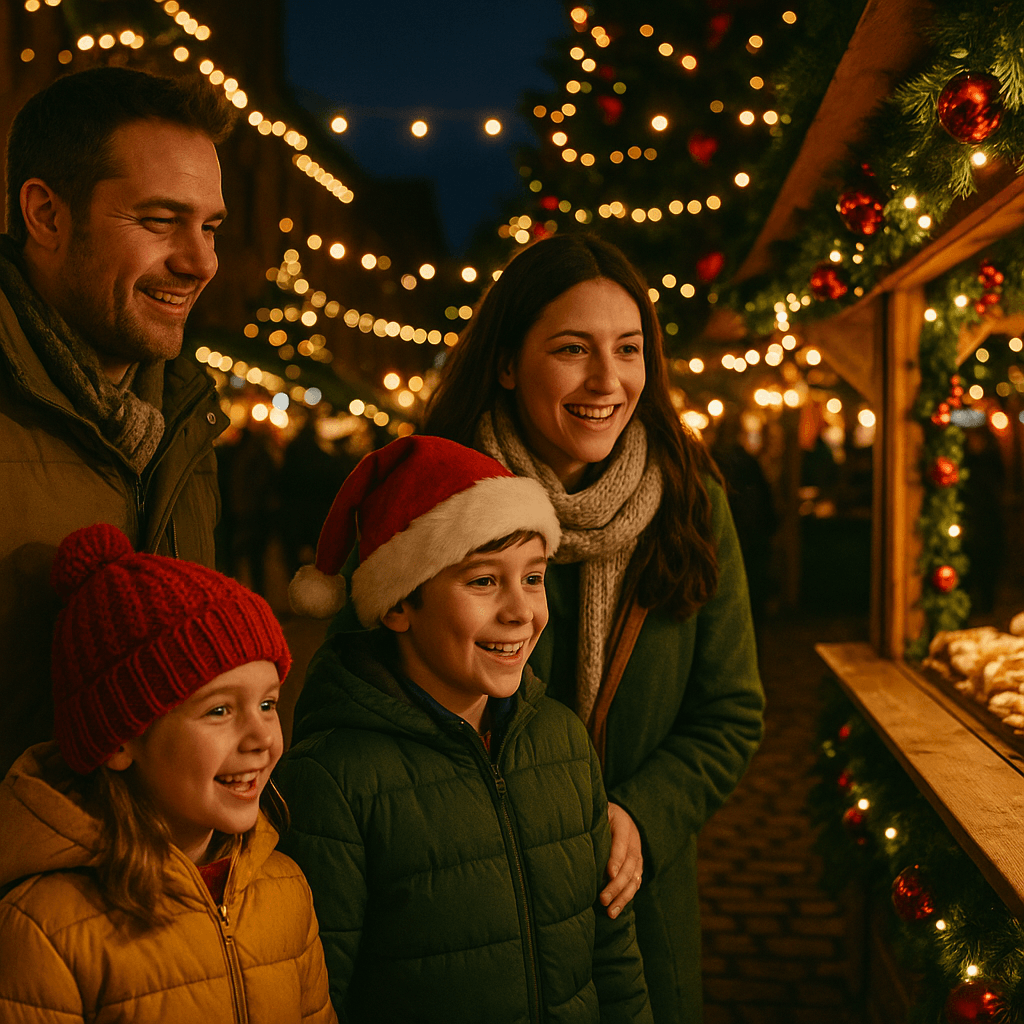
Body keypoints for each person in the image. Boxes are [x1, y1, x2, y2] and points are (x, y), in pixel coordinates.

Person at [422, 234, 766, 1024]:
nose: (607, 382)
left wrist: (640, 814)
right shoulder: (434, 500)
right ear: (508, 363)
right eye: (573, 350)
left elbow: (730, 710)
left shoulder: (690, 497)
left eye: (628, 350)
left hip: (632, 906)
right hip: (472, 914)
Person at [278, 435, 653, 1024]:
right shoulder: (332, 780)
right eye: (483, 582)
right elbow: (320, 1000)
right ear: (398, 604)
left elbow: (613, 959)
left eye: (533, 578)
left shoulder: (561, 741)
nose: (520, 611)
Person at [0, 522, 336, 1024]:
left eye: (268, 703)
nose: (262, 738)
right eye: (219, 711)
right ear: (120, 740)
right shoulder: (43, 929)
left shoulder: (284, 888)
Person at [0, 66, 233, 775]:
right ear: (46, 214)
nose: (200, 261)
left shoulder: (187, 422)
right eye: (160, 220)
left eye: (211, 227)